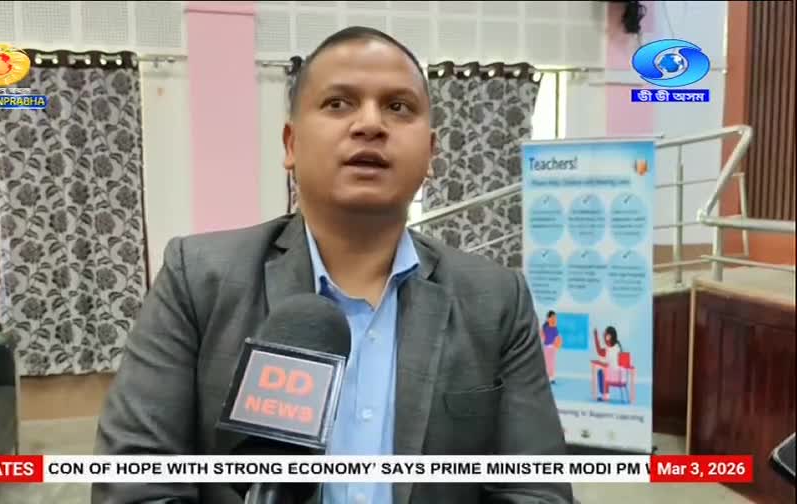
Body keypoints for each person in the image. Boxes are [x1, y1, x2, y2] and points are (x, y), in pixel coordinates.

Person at [93, 27, 572, 504]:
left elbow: (537, 490)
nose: (370, 124)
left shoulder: (496, 300)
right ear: (291, 144)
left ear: (430, 153)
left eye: (397, 106)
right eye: (338, 104)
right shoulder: (197, 278)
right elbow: (135, 483)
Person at [593, 326, 623, 402]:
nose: (603, 337)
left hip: (611, 375)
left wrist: (595, 336)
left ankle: (605, 396)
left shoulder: (607, 350)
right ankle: (605, 395)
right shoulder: (618, 346)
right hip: (620, 375)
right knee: (604, 371)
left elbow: (599, 351)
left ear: (609, 336)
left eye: (604, 335)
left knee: (601, 372)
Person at [540, 310, 562, 383]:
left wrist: (557, 345)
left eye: (555, 317)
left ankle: (551, 378)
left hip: (553, 347)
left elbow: (557, 337)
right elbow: (542, 336)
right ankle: (546, 377)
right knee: (546, 362)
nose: (554, 319)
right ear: (548, 318)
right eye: (552, 317)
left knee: (552, 363)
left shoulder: (554, 328)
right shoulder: (544, 327)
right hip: (546, 347)